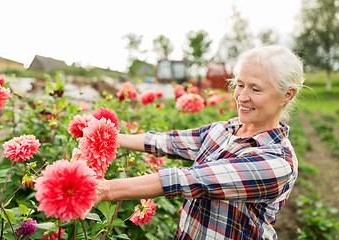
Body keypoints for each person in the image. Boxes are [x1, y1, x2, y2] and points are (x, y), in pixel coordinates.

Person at [94, 45, 305, 240]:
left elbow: (193, 179)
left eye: (255, 89)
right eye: (240, 85)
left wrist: (106, 189)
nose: (241, 97)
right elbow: (167, 141)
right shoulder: (223, 130)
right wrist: (107, 136)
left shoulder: (277, 161)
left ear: (286, 95)